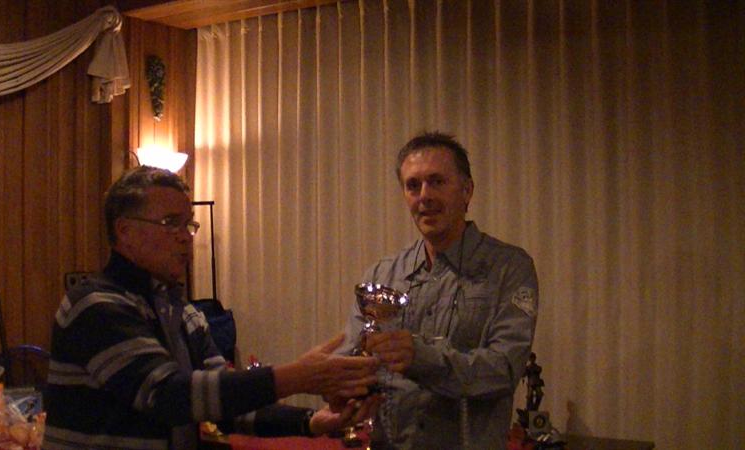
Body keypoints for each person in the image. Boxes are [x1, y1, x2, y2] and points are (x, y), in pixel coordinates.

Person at [43, 166, 380, 449]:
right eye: (170, 223)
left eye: (188, 224)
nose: (186, 237)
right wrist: (299, 376)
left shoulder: (185, 314)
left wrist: (312, 421)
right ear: (125, 231)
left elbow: (223, 405)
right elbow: (168, 396)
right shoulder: (96, 304)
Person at [338, 132, 539, 449]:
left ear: (467, 190)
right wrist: (339, 382)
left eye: (437, 182)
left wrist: (421, 357)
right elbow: (353, 356)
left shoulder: (509, 268)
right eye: (413, 185)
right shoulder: (381, 275)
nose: (424, 196)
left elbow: (504, 369)